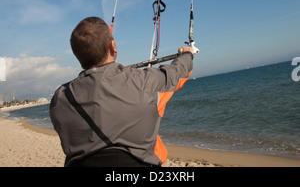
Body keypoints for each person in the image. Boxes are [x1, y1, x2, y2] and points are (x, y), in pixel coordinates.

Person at [50, 16, 194, 167]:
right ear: (112, 46)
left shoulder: (58, 99)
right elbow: (176, 73)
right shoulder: (144, 82)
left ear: (77, 55)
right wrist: (187, 54)